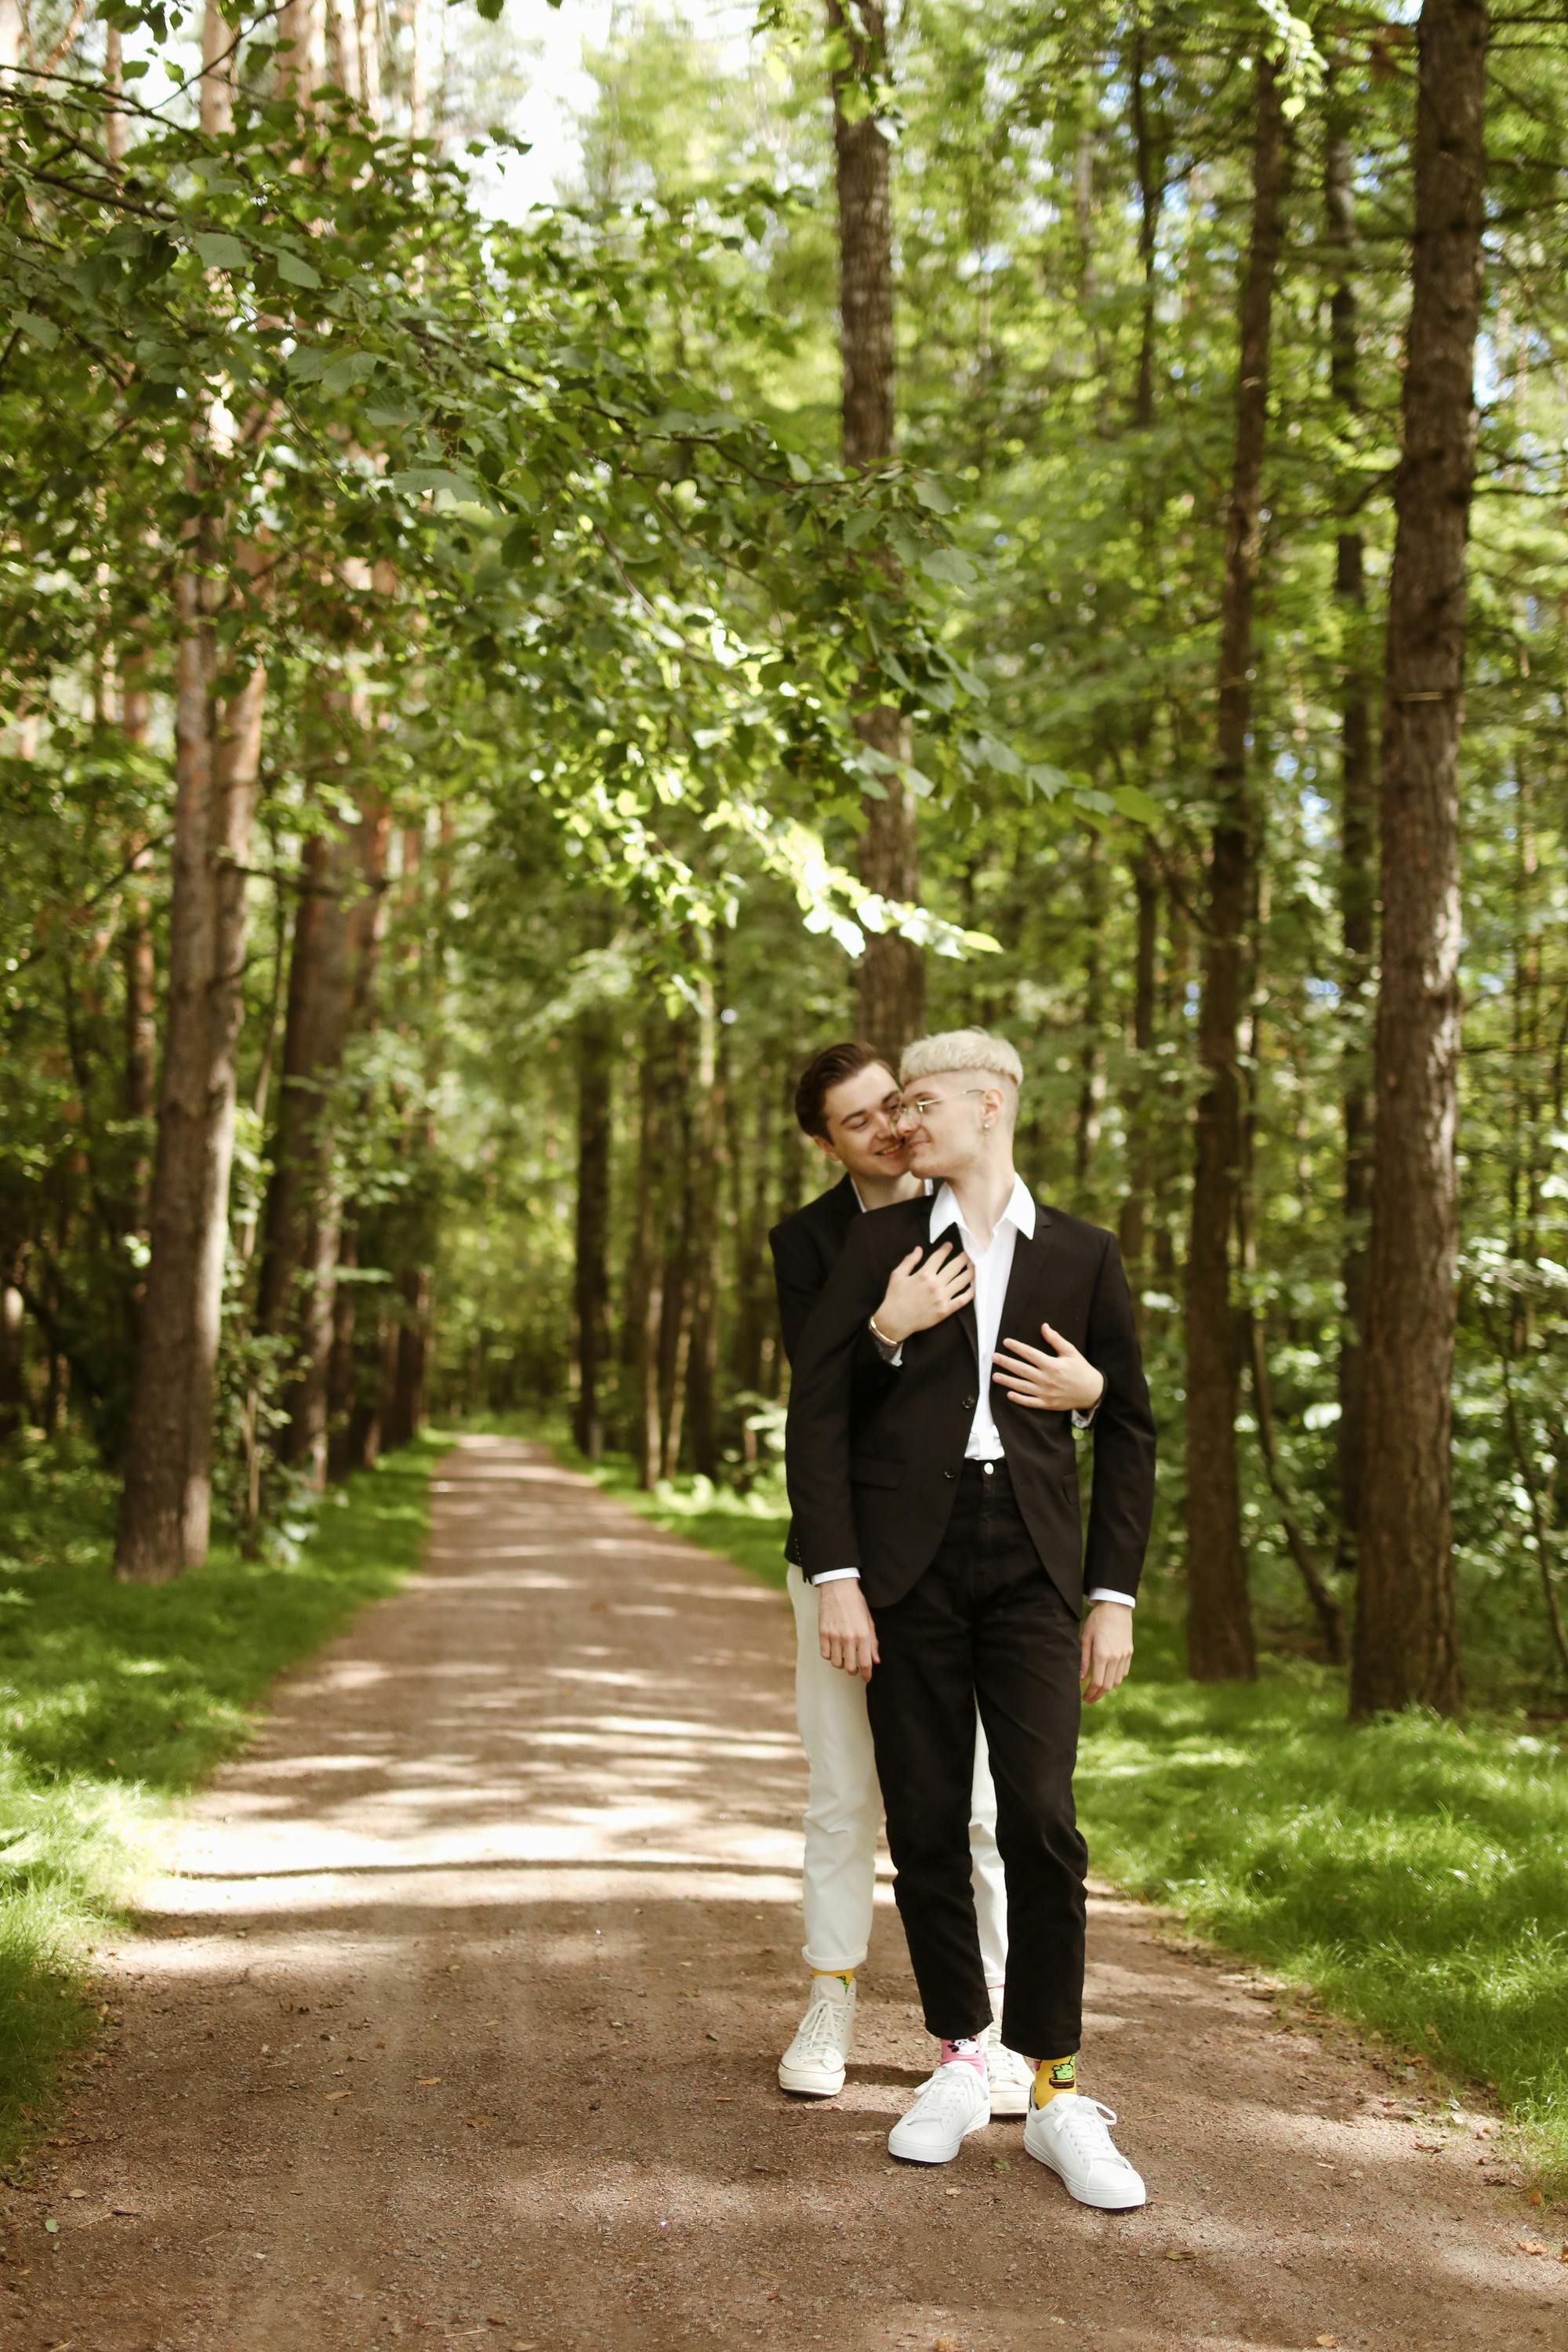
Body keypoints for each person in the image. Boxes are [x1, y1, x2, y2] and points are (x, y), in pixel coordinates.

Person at [785, 1029, 1156, 2209]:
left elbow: (1134, 1428)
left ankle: (1053, 2089)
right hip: (909, 1567)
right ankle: (957, 2059)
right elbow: (818, 1413)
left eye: (922, 1102)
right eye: (888, 1109)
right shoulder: (882, 1244)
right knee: (931, 1821)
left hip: (1036, 1567)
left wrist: (1112, 1597)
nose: (904, 1124)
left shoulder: (1085, 1255)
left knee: (1041, 1818)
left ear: (989, 1107)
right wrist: (839, 1572)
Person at [769, 1040, 1067, 2118]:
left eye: (895, 1105)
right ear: (825, 1143)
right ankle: (832, 1994)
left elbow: (1048, 1390)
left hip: (956, 1568)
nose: (888, 1130)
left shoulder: (1001, 1220)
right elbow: (820, 1416)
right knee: (847, 1788)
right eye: (857, 1122)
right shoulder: (814, 1244)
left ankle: (984, 2034)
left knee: (985, 1804)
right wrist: (886, 1327)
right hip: (846, 1559)